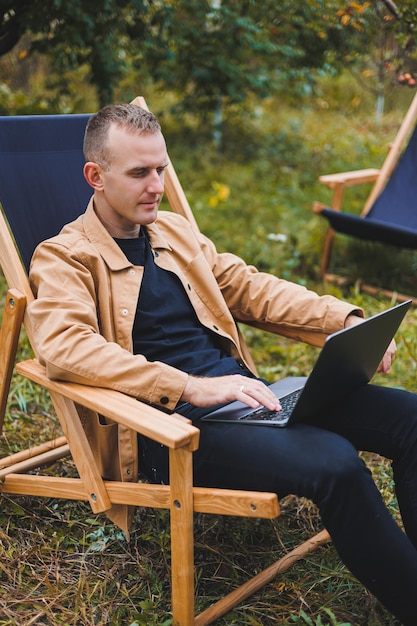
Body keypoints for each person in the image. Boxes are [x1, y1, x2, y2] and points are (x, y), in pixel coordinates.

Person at [28, 103, 417, 625]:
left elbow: (248, 286)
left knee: (410, 419)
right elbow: (64, 344)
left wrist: (338, 318)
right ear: (96, 177)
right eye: (139, 173)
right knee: (336, 462)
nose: (156, 185)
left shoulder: (174, 233)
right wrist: (189, 386)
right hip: (173, 431)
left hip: (245, 400)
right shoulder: (65, 257)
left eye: (161, 169)